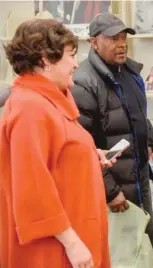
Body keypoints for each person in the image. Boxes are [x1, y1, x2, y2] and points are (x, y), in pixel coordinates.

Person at [0, 19, 115, 268]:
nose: (76, 64)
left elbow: (54, 157)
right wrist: (72, 243)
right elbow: (32, 185)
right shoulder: (30, 107)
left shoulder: (47, 102)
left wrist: (88, 156)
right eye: (71, 56)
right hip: (54, 250)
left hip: (70, 237)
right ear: (46, 60)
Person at [71, 12, 153, 251]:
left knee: (145, 249)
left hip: (138, 178)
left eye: (123, 37)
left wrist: (149, 138)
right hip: (113, 188)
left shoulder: (129, 73)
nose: (121, 44)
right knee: (121, 254)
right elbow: (81, 146)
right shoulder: (83, 82)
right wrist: (109, 191)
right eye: (113, 38)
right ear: (94, 42)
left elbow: (136, 113)